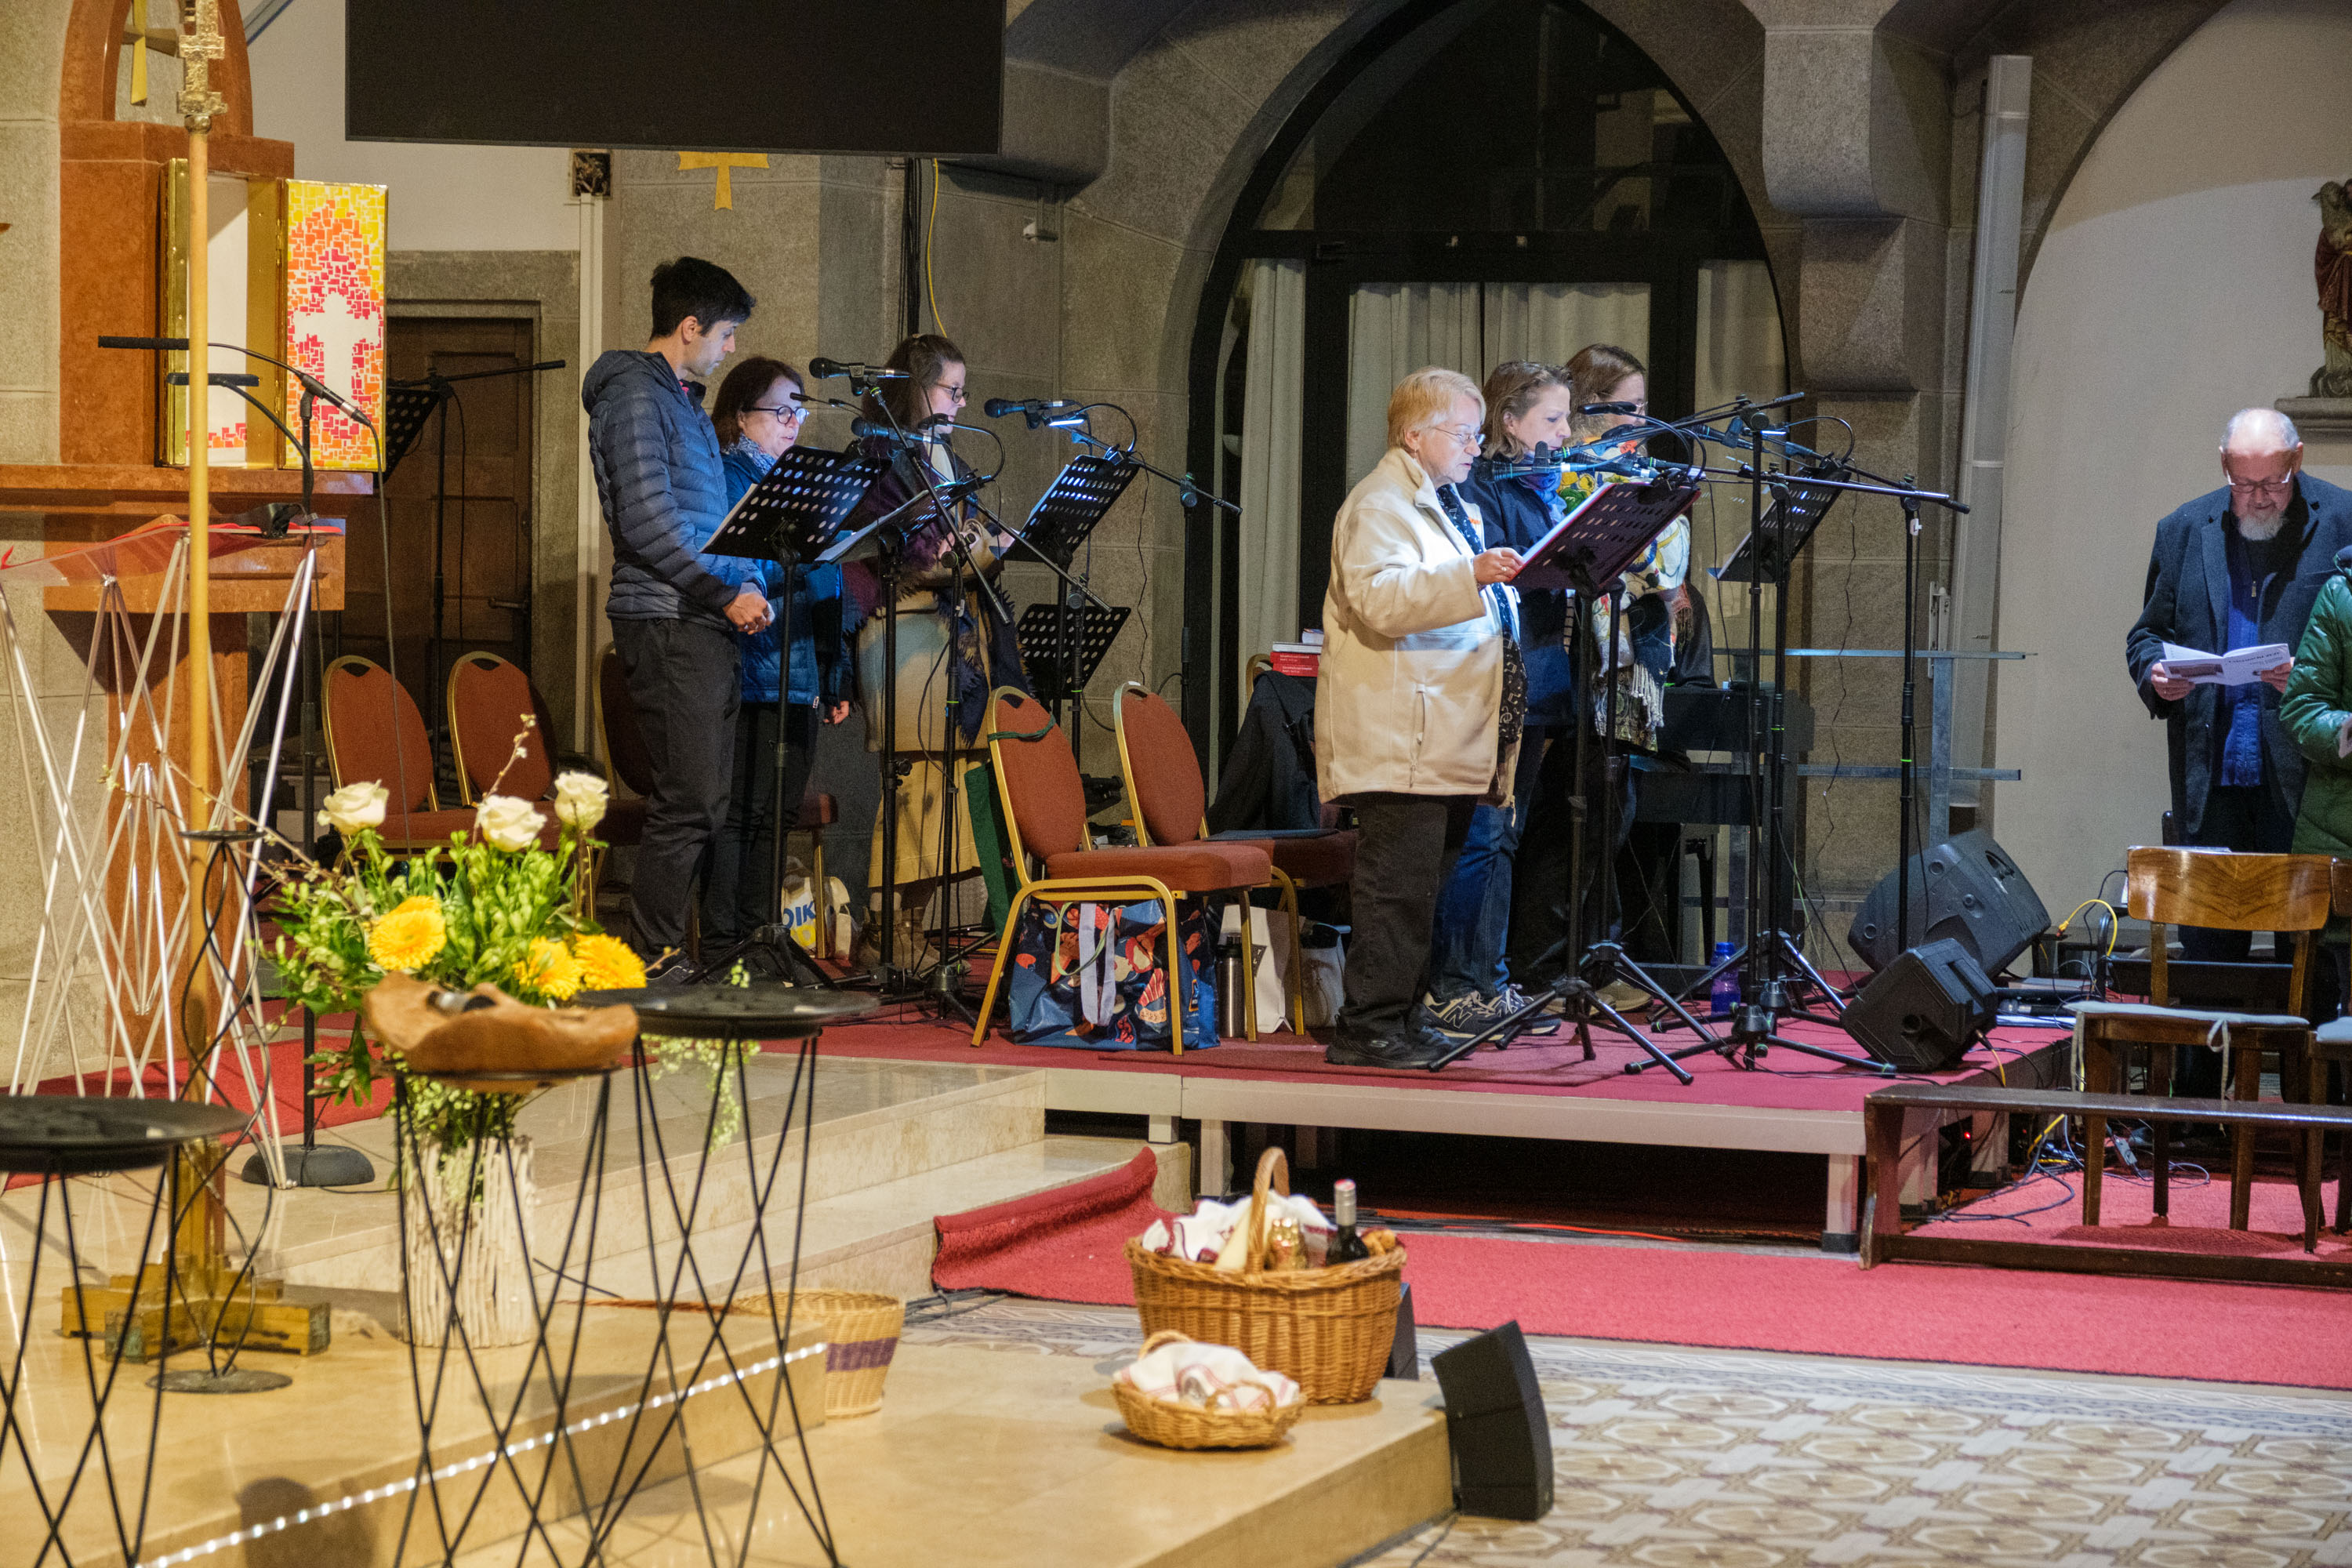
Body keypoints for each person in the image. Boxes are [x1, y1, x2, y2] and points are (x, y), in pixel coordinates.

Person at [2129, 408, 2352, 1087]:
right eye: (2244, 483)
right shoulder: (2183, 529)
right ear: (2224, 466)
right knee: (2206, 958)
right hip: (2213, 776)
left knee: (2308, 961)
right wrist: (2154, 673)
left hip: (2304, 785)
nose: (2259, 498)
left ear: (2298, 461)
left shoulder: (2343, 522)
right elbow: (2147, 633)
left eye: (2273, 483)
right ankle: (2200, 1113)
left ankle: (2310, 1113)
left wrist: (2314, 676)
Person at [1316, 367, 1525, 1069]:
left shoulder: (1443, 502)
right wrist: (1472, 575)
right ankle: (1367, 1027)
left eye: (1476, 433)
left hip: (1440, 736)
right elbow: (1380, 599)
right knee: (1396, 891)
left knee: (1424, 891)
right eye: (1462, 433)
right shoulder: (1379, 503)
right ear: (1414, 436)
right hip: (1400, 735)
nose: (1476, 446)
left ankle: (1403, 1016)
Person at [583, 256, 764, 973]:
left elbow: (712, 523)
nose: (730, 349)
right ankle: (649, 957)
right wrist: (724, 592)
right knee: (688, 799)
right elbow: (648, 523)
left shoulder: (683, 403)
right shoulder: (634, 396)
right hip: (666, 618)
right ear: (690, 327)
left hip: (701, 617)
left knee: (707, 801)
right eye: (726, 334)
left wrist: (746, 580)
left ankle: (666, 952)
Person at [836, 333, 1028, 965]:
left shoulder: (943, 456)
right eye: (953, 389)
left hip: (950, 642)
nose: (962, 402)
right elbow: (914, 558)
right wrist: (984, 547)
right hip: (903, 642)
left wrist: (981, 543)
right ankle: (885, 932)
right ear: (917, 389)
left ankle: (911, 928)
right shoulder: (879, 457)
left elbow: (956, 545)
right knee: (913, 794)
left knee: (947, 796)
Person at [1509, 344, 1685, 994]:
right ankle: (1543, 965)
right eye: (1626, 408)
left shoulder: (1640, 472)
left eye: (1643, 406)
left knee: (1613, 811)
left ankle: (1596, 959)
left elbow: (1669, 567)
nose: (1640, 421)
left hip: (1632, 666)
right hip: (1581, 662)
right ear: (1588, 409)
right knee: (1575, 813)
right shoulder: (1566, 474)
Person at [1425, 361, 1578, 1040]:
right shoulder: (1481, 489)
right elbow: (1491, 571)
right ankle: (1456, 986)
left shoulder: (1543, 487)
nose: (1566, 432)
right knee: (1483, 835)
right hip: (1499, 677)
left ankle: (1489, 979)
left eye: (1568, 418)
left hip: (1541, 679)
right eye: (1553, 418)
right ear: (1509, 423)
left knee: (1507, 835)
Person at [699, 356, 854, 953]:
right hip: (754, 669)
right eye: (781, 411)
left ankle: (761, 938)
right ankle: (726, 943)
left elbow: (826, 582)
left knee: (777, 817)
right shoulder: (730, 477)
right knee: (742, 813)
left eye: (799, 412)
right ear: (741, 416)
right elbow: (731, 565)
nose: (794, 423)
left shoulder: (800, 484)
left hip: (801, 671)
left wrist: (835, 675)